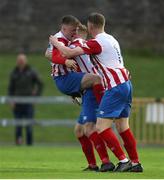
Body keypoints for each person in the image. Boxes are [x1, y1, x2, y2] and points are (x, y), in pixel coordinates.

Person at [49, 13, 143, 172]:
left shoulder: (95, 42)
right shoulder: (112, 39)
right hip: (126, 83)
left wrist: (54, 42)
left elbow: (67, 53)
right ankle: (135, 163)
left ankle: (123, 160)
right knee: (122, 127)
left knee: (100, 127)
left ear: (90, 26)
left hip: (114, 86)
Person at [46, 16, 113, 172]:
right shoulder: (71, 42)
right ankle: (94, 164)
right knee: (81, 130)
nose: (74, 35)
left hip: (90, 87)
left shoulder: (78, 44)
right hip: (82, 86)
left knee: (87, 128)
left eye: (76, 32)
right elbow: (51, 54)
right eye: (73, 31)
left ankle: (106, 162)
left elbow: (54, 54)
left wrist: (55, 47)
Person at [8, 53, 43, 145]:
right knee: (18, 125)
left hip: (28, 103)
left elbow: (40, 84)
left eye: (22, 60)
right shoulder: (14, 73)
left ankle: (29, 145)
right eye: (19, 60)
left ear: (25, 61)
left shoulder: (31, 71)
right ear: (17, 61)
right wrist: (11, 100)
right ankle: (18, 144)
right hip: (17, 103)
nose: (21, 62)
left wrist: (36, 97)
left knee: (29, 125)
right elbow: (10, 88)